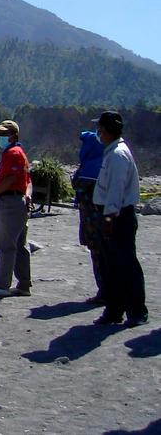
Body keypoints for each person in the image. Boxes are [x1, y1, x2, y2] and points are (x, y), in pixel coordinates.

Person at [91, 111, 149, 327]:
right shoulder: (113, 152)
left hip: (118, 217)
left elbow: (116, 191)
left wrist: (108, 220)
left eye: (100, 129)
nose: (99, 132)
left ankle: (136, 311)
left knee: (125, 265)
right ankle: (114, 310)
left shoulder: (117, 155)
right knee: (112, 265)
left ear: (105, 131)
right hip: (114, 215)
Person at [0, 120, 32, 297]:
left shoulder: (13, 153)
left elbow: (10, 179)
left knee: (5, 245)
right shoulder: (21, 154)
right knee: (19, 245)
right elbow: (27, 180)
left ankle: (1, 284)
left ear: (14, 136)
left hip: (10, 201)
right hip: (19, 201)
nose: (0, 137)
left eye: (4, 134)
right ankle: (24, 284)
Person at [72, 129, 107, 304]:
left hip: (93, 222)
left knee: (100, 256)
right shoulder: (105, 163)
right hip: (107, 220)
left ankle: (105, 291)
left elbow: (77, 184)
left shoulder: (88, 169)